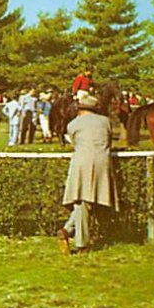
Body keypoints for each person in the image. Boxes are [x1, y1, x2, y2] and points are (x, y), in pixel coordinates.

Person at [57, 94, 118, 254]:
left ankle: (77, 239)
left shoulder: (73, 124)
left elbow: (74, 142)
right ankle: (69, 231)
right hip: (102, 162)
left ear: (79, 108)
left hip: (81, 163)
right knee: (87, 201)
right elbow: (110, 140)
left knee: (82, 201)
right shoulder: (106, 122)